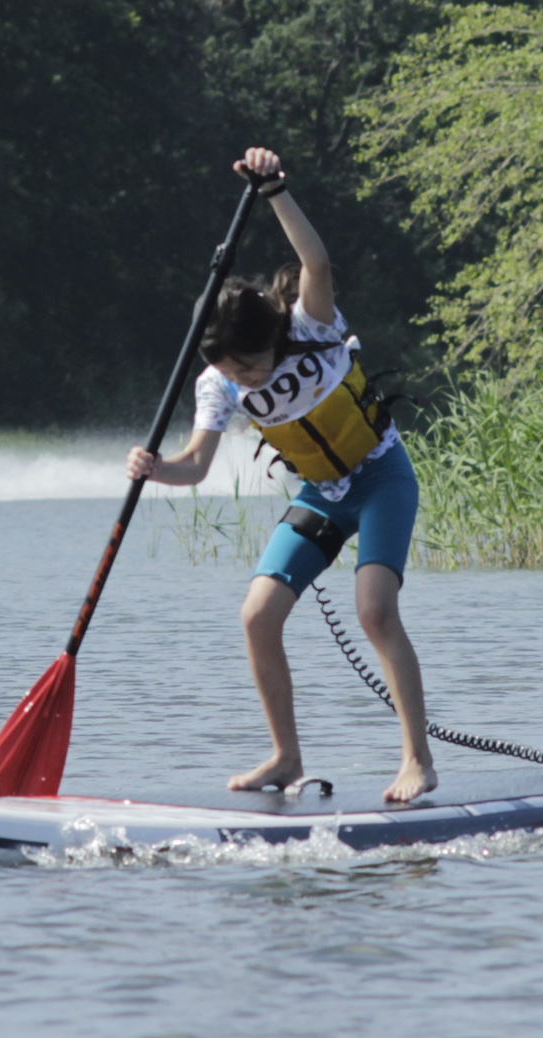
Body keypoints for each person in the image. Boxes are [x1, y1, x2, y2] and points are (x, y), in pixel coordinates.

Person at [126, 146, 439, 804]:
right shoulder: (219, 385)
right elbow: (197, 465)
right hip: (322, 496)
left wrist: (275, 192)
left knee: (376, 611)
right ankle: (284, 756)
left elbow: (315, 261)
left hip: (381, 477)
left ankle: (418, 758)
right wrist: (156, 470)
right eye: (233, 372)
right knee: (257, 615)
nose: (245, 380)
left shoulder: (312, 325)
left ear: (272, 333)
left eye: (251, 365)